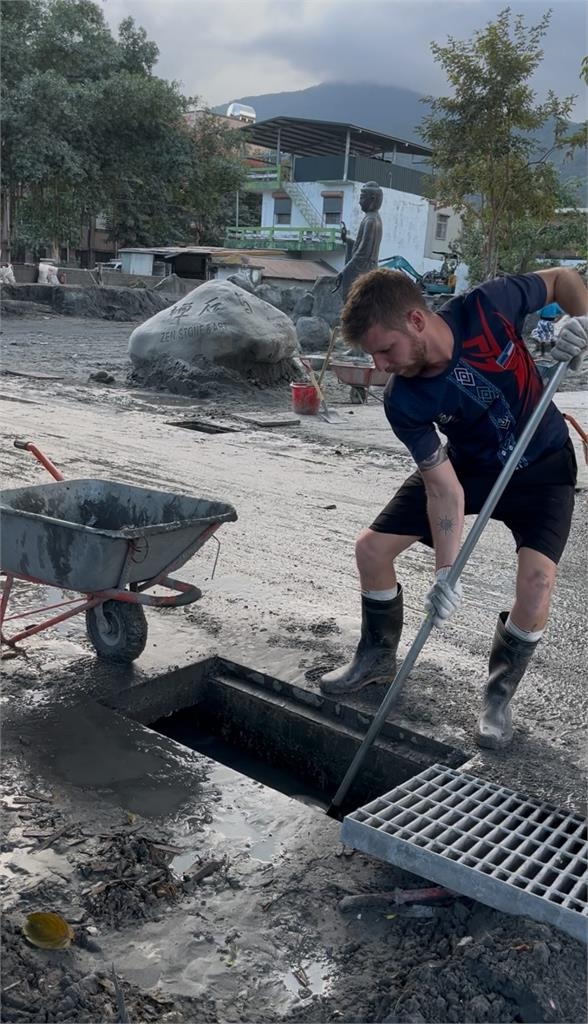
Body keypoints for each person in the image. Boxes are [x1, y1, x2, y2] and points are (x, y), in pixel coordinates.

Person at [318, 267, 587, 749]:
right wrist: (446, 571)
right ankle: (376, 658)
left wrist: (583, 320)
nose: (381, 365)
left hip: (543, 463)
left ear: (416, 321)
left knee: (537, 583)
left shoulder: (488, 307)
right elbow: (443, 488)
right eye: (373, 355)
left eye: (385, 350)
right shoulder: (403, 399)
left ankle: (498, 695)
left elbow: (563, 279)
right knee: (372, 550)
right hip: (470, 468)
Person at [333, 182, 383, 302]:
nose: (360, 202)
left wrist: (344, 271)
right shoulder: (371, 218)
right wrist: (347, 240)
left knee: (354, 302)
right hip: (367, 268)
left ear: (372, 199)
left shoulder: (371, 221)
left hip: (364, 271)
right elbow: (363, 246)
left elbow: (362, 253)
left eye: (362, 198)